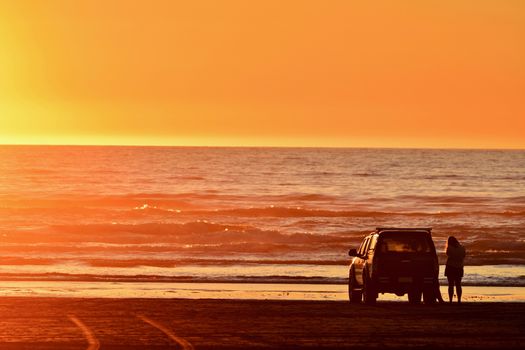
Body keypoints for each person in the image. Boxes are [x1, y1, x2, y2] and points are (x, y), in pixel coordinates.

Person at [445, 236, 466, 303]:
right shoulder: (462, 248)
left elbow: (448, 255)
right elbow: (463, 256)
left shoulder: (449, 248)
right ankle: (459, 300)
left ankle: (450, 300)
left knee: (450, 285)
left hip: (451, 267)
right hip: (459, 267)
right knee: (458, 284)